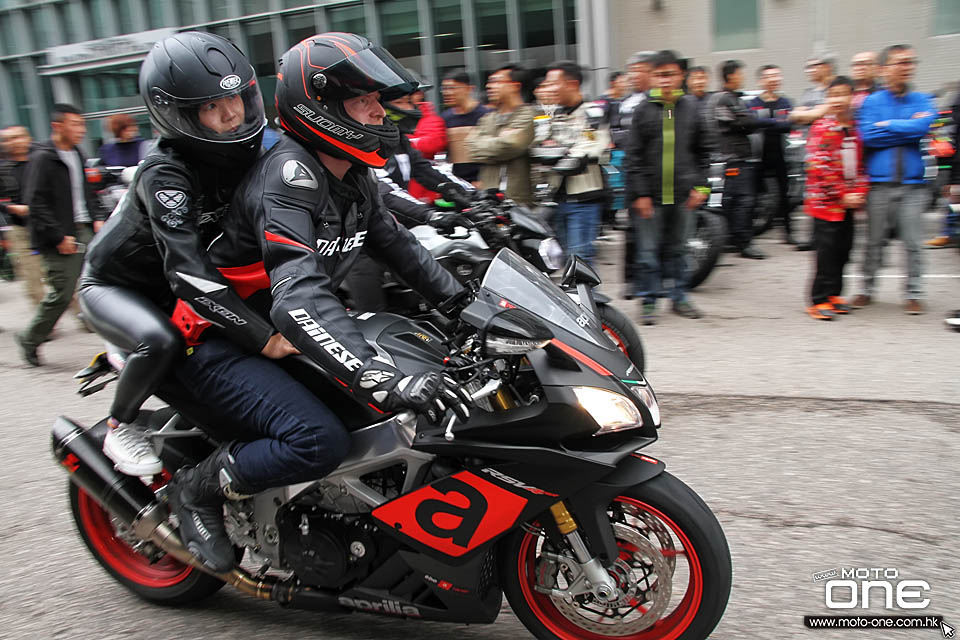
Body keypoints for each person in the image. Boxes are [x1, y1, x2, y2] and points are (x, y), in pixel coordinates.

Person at [167, 33, 471, 572]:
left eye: (379, 100)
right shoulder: (290, 176)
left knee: (424, 369)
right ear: (322, 109)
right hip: (226, 341)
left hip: (286, 336)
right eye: (364, 102)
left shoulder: (351, 173)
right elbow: (297, 292)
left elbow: (399, 248)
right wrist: (381, 377)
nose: (381, 112)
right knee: (320, 439)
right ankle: (196, 489)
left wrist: (468, 307)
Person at [76, 32, 284, 478]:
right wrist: (262, 336)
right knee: (161, 342)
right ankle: (121, 424)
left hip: (173, 283)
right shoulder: (166, 172)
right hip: (117, 286)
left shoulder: (252, 149)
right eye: (212, 107)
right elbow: (187, 270)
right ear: (180, 115)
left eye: (238, 99)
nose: (232, 114)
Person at [15, 105, 107, 367]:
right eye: (75, 124)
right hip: (60, 237)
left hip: (85, 228)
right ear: (58, 126)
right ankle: (30, 338)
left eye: (82, 125)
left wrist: (97, 216)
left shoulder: (76, 153)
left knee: (103, 280)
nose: (81, 130)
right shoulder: (43, 158)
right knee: (62, 294)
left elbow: (88, 192)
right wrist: (58, 237)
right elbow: (36, 202)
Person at [625, 50, 710, 324]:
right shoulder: (643, 111)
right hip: (651, 198)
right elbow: (633, 157)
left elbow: (704, 153)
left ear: (680, 76)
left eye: (670, 74)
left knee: (680, 250)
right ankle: (649, 300)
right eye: (659, 75)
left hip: (684, 196)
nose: (665, 80)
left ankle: (679, 296)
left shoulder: (691, 109)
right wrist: (640, 194)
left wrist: (702, 188)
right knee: (648, 252)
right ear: (652, 77)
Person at [853, 44, 935, 315]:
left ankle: (913, 293)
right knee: (873, 241)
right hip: (879, 184)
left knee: (913, 243)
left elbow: (922, 127)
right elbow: (868, 136)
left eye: (911, 62)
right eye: (900, 63)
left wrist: (888, 125)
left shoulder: (922, 99)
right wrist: (907, 128)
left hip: (912, 186)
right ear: (885, 69)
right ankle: (866, 289)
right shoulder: (872, 102)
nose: (907, 68)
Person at [532, 61, 610, 265]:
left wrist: (560, 152)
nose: (548, 88)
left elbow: (588, 150)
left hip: (584, 198)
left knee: (580, 259)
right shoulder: (552, 114)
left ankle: (587, 297)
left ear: (572, 84)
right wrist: (560, 152)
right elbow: (537, 147)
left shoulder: (592, 112)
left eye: (553, 83)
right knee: (563, 260)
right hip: (558, 197)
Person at [804, 76, 869, 320]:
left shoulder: (854, 129)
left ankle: (834, 294)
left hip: (848, 204)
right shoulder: (821, 128)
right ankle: (817, 299)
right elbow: (819, 167)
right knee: (826, 253)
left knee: (844, 250)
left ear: (852, 97)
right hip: (825, 204)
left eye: (843, 94)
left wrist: (860, 192)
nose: (838, 100)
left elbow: (861, 166)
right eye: (833, 95)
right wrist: (843, 195)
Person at [714, 60, 773, 259]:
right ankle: (742, 242)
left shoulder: (734, 99)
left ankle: (734, 240)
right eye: (741, 73)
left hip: (740, 158)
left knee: (739, 201)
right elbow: (744, 123)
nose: (743, 77)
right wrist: (763, 121)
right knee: (742, 201)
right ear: (731, 76)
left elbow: (747, 121)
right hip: (732, 158)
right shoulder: (724, 100)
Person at [467, 63, 536, 205]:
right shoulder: (487, 118)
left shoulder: (529, 116)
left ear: (515, 86)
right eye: (489, 82)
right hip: (490, 201)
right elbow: (471, 147)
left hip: (520, 201)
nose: (489, 86)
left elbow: (510, 146)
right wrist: (499, 143)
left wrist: (490, 145)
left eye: (496, 82)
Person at [748, 64, 795, 244]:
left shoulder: (785, 102)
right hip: (757, 156)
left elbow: (788, 125)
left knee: (785, 195)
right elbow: (752, 123)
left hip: (780, 156)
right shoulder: (753, 103)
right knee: (753, 196)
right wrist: (775, 121)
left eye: (777, 75)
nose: (774, 79)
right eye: (769, 76)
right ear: (761, 80)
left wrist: (765, 122)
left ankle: (789, 232)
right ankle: (750, 233)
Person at [0, 126, 44, 305]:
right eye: (8, 139)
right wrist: (12, 207)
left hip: (49, 224)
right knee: (31, 274)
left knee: (65, 274)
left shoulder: (41, 161)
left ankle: (82, 314)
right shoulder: (3, 168)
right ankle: (44, 322)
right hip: (20, 227)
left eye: (17, 137)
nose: (14, 142)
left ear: (28, 138)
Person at [440, 69, 491, 185]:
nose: (447, 93)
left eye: (452, 88)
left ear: (469, 89)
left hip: (484, 182)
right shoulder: (445, 118)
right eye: (444, 89)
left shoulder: (486, 115)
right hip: (457, 183)